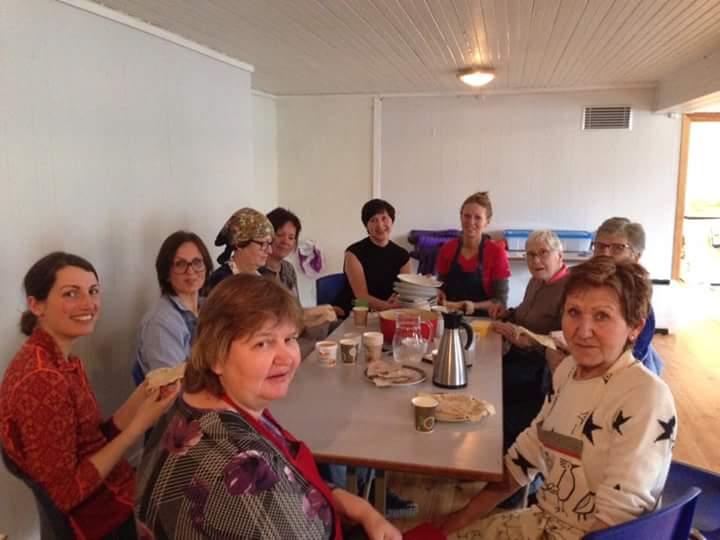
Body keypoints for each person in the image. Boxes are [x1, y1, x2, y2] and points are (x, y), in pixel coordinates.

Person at [135, 274, 401, 540]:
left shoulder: (193, 407)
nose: (286, 357)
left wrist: (356, 505)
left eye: (290, 338)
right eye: (262, 343)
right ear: (216, 355)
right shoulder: (239, 470)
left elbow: (288, 480)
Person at [438, 257, 677, 539]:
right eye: (574, 312)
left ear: (635, 327)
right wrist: (455, 522)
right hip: (543, 522)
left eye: (602, 316)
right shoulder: (567, 371)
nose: (582, 331)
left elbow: (617, 520)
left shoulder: (645, 396)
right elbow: (527, 455)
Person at [0, 252, 178, 539]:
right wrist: (138, 427)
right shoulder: (43, 378)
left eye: (93, 291)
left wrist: (141, 397)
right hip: (93, 521)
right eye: (71, 293)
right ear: (36, 305)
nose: (89, 304)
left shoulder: (64, 361)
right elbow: (66, 493)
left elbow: (92, 440)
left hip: (110, 492)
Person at [489, 230, 570, 450]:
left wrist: (531, 343)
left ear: (560, 255)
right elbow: (524, 312)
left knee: (490, 386)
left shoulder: (570, 290)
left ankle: (503, 447)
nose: (535, 260)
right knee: (483, 370)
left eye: (543, 253)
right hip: (520, 354)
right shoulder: (536, 281)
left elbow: (564, 344)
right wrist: (507, 313)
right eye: (530, 254)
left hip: (539, 369)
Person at [134, 231, 213, 379]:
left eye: (197, 262)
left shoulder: (210, 308)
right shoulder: (160, 322)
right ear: (166, 273)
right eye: (180, 264)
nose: (190, 271)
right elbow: (174, 386)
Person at [592, 217, 662, 374]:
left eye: (618, 248)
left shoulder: (638, 293)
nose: (605, 254)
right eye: (600, 246)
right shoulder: (587, 282)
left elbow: (635, 350)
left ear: (636, 256)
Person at [436, 192, 510, 316]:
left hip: (484, 321)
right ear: (461, 217)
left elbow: (500, 302)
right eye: (467, 216)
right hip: (449, 318)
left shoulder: (496, 253)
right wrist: (437, 293)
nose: (471, 222)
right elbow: (441, 288)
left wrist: (471, 306)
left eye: (478, 218)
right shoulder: (447, 249)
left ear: (487, 221)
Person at [337, 199, 411, 314]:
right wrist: (387, 308)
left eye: (384, 218)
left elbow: (405, 291)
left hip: (390, 309)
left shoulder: (403, 255)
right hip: (356, 307)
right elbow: (361, 297)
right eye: (373, 220)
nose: (380, 225)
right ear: (366, 226)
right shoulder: (353, 253)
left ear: (392, 221)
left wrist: (395, 302)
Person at [207, 207, 275, 289]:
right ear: (239, 243)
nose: (270, 251)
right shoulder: (221, 281)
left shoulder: (266, 278)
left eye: (269, 243)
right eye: (263, 244)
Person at [260, 207, 302, 297]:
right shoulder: (254, 270)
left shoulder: (289, 269)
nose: (285, 241)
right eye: (279, 235)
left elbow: (295, 304)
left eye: (291, 238)